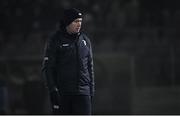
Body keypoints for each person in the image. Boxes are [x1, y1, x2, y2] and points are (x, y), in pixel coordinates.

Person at [41, 8, 95, 115]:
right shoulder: (55, 40)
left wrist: (91, 91)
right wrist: (53, 90)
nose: (79, 24)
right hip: (63, 93)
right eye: (76, 21)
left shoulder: (85, 40)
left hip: (83, 94)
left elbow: (90, 67)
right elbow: (48, 68)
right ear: (67, 22)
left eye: (80, 21)